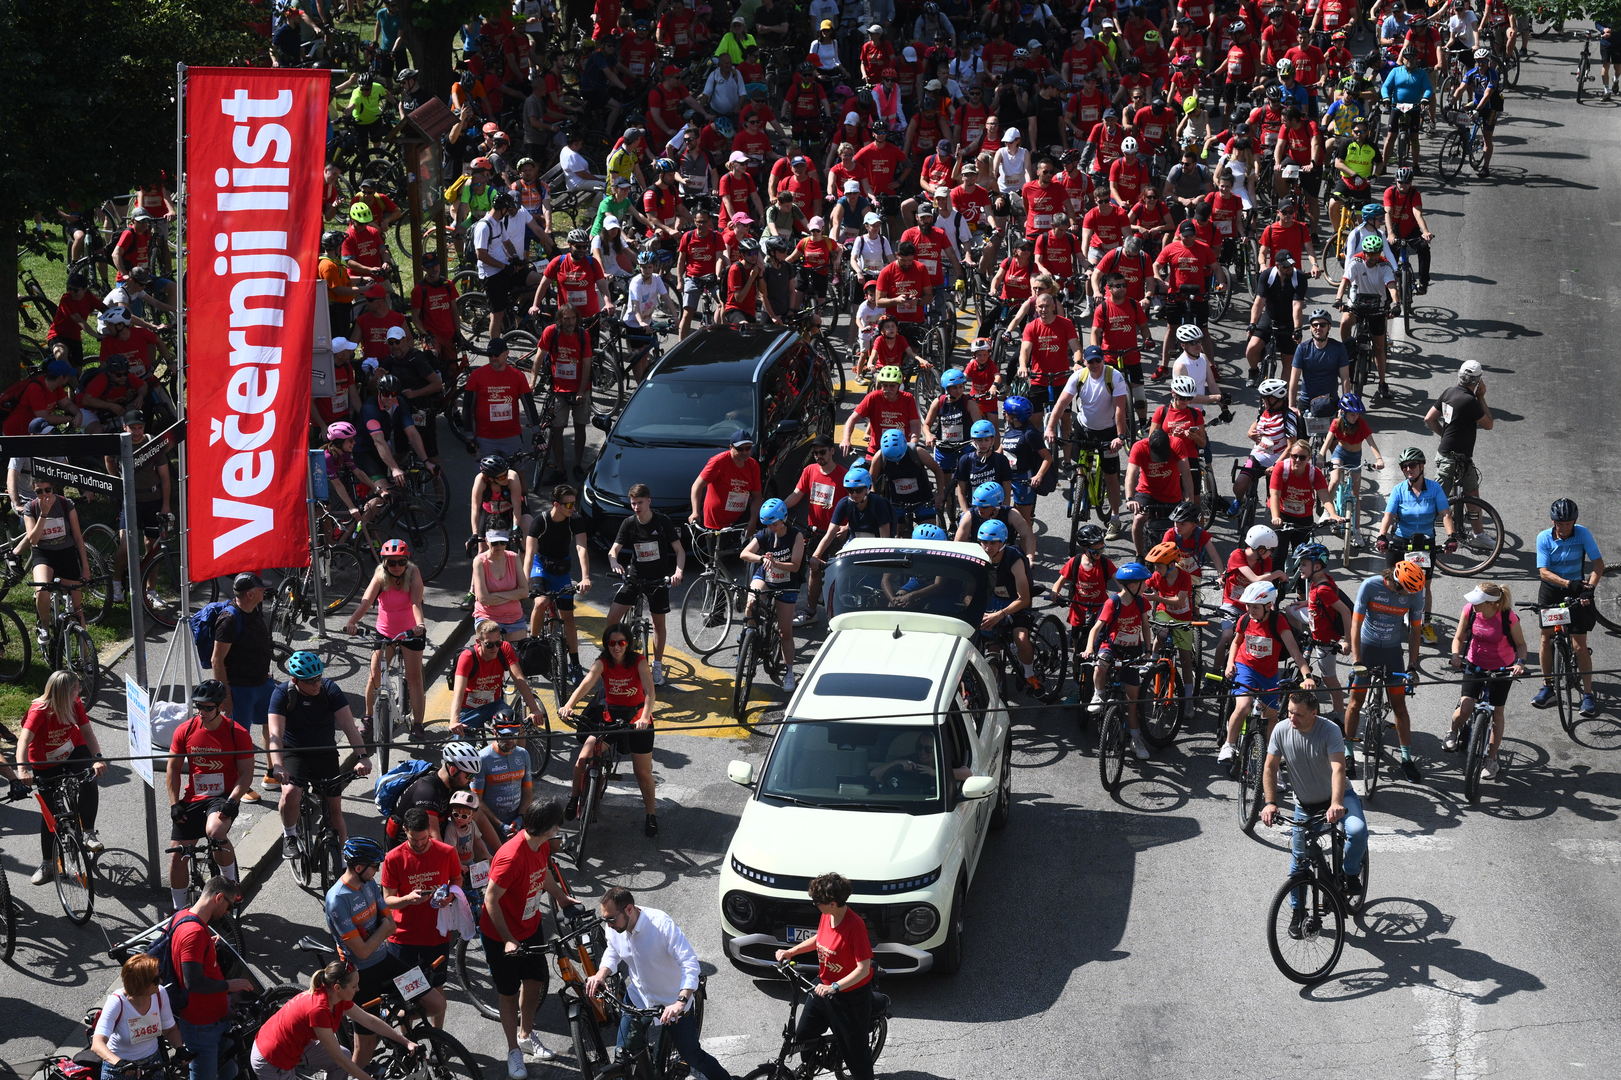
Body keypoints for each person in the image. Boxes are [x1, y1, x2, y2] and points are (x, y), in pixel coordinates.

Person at [584, 888, 734, 1080]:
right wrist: (601, 974)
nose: (608, 924)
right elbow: (613, 950)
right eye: (605, 919)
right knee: (624, 1057)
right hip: (638, 997)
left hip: (672, 1002)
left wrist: (680, 1002)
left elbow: (689, 963)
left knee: (693, 1056)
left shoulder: (660, 924)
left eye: (611, 919)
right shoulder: (614, 926)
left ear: (629, 909)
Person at [480, 801, 577, 1075]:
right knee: (508, 995)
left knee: (534, 984)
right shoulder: (510, 857)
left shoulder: (542, 844)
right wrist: (508, 939)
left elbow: (541, 873)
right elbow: (490, 899)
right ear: (546, 828)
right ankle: (513, 1050)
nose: (559, 828)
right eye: (556, 825)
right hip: (502, 937)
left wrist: (560, 896)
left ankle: (525, 1036)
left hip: (530, 926)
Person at [1259, 691, 1369, 928]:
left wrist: (1336, 803)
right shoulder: (1281, 730)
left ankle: (1349, 873)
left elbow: (1339, 768)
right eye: (1289, 712)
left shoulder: (1329, 730)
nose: (1292, 718)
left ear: (1314, 713)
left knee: (1358, 831)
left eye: (1298, 714)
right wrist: (1270, 803)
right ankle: (1298, 913)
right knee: (1299, 863)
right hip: (1306, 805)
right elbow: (1269, 767)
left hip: (1339, 797)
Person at [268, 652, 370, 859]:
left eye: (319, 678)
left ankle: (341, 861)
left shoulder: (329, 689)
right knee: (290, 792)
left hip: (324, 752)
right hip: (294, 752)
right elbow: (275, 735)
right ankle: (290, 836)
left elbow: (349, 726)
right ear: (295, 680)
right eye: (310, 681)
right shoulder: (281, 694)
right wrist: (277, 766)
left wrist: (362, 757)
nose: (316, 684)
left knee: (334, 811)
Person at [772, 873, 875, 1080]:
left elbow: (863, 969)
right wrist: (792, 952)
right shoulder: (827, 916)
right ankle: (814, 1064)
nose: (815, 905)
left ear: (833, 903)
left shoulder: (855, 926)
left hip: (850, 997)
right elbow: (820, 938)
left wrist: (835, 987)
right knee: (803, 1035)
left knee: (856, 1055)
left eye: (817, 902)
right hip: (823, 986)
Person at [558, 622, 660, 830]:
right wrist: (569, 705)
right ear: (606, 644)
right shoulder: (603, 662)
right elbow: (586, 683)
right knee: (582, 758)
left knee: (642, 772)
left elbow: (650, 692)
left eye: (621, 642)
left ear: (628, 643)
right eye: (611, 643)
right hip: (610, 718)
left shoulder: (639, 661)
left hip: (637, 719)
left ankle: (651, 814)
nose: (616, 647)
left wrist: (644, 718)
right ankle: (574, 798)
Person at [166, 680, 253, 911]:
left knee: (215, 832)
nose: (201, 712)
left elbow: (246, 774)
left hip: (222, 797)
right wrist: (175, 804)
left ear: (221, 706)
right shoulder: (185, 730)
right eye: (198, 706)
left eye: (207, 707)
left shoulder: (237, 733)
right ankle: (179, 911)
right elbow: (173, 769)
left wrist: (233, 801)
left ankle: (232, 886)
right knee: (177, 856)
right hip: (193, 797)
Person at [250, 960, 415, 1080]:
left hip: (294, 1046)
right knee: (341, 1058)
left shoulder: (336, 996)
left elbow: (369, 1021)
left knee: (345, 1053)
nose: (358, 989)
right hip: (271, 1059)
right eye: (354, 986)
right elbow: (339, 1059)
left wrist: (405, 1041)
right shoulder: (318, 1010)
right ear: (337, 987)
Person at [14, 669, 106, 882]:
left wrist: (98, 758)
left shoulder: (75, 704)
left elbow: (87, 733)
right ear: (65, 692)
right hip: (45, 760)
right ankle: (47, 863)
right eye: (76, 688)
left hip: (73, 748)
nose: (80, 690)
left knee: (89, 778)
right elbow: (23, 742)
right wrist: (22, 770)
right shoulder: (39, 710)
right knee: (50, 813)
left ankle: (89, 832)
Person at [323, 836, 407, 1069]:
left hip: (385, 959)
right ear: (359, 867)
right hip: (360, 974)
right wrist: (384, 929)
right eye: (375, 866)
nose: (377, 871)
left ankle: (390, 1027)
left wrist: (380, 932)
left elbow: (392, 924)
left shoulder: (369, 884)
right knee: (366, 1047)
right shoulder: (337, 900)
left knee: (434, 1003)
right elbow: (362, 951)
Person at [1344, 560, 1427, 782]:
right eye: (1407, 590)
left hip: (1392, 653)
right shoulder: (1370, 586)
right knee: (1355, 702)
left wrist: (1412, 665)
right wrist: (1357, 660)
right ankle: (1348, 754)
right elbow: (1356, 624)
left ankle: (1407, 759)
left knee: (1400, 706)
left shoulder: (1416, 592)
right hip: (1368, 649)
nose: (1410, 595)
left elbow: (1415, 630)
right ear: (1396, 581)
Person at [380, 806, 461, 1028]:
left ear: (429, 831)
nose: (419, 844)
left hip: (436, 934)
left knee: (436, 987)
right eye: (414, 840)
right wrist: (408, 899)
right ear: (405, 830)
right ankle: (408, 1040)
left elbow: (456, 880)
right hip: (403, 936)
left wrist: (450, 897)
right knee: (407, 991)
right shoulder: (393, 858)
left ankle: (438, 1038)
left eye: (424, 838)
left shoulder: (446, 852)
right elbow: (387, 899)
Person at [169, 876, 256, 1080]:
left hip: (218, 1019)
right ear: (218, 897)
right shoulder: (195, 933)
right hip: (203, 1026)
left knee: (229, 1071)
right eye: (229, 905)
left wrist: (208, 942)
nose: (228, 912)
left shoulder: (183, 917)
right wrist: (229, 985)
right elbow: (193, 982)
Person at [1219, 580, 1316, 761]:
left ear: (1269, 605)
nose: (1250, 610)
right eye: (1248, 606)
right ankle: (1229, 745)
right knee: (1243, 705)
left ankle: (1273, 763)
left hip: (1268, 674)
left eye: (1255, 607)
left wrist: (1307, 676)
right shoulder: (1246, 619)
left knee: (1272, 718)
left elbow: (1295, 653)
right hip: (1245, 667)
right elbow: (1235, 642)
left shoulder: (1279, 622)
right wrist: (1230, 663)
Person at [345, 539, 427, 740]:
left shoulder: (413, 573)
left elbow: (416, 602)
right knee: (375, 677)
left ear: (407, 562)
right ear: (384, 563)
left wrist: (420, 625)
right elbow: (365, 602)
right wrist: (352, 622)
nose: (397, 566)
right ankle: (368, 718)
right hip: (385, 632)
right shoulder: (380, 576)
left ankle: (418, 724)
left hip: (411, 632)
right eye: (392, 562)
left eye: (401, 562)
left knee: (415, 677)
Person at [1445, 582, 1527, 779]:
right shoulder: (1470, 611)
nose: (1473, 605)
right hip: (1475, 665)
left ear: (1492, 604)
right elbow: (1458, 638)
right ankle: (1452, 731)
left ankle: (1491, 760)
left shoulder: (1508, 617)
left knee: (1498, 712)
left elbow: (1521, 645)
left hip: (1501, 669)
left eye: (1478, 603)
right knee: (1465, 708)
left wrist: (1520, 664)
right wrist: (1456, 655)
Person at [606, 484, 687, 683]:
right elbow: (613, 550)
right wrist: (614, 562)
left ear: (649, 501)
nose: (636, 507)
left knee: (658, 624)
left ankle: (657, 667)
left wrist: (678, 572)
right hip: (635, 577)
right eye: (633, 503)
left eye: (640, 502)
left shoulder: (662, 522)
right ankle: (616, 658)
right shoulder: (629, 523)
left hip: (658, 579)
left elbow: (680, 551)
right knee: (612, 618)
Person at [1376, 446, 1457, 640]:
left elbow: (1445, 514)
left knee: (1424, 586)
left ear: (1422, 466)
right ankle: (1390, 619)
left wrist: (1451, 536)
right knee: (1393, 583)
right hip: (1402, 541)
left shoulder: (1435, 488)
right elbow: (1389, 515)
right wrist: (1382, 536)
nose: (1408, 469)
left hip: (1425, 543)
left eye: (1412, 465)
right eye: (1404, 466)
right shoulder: (1399, 490)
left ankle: (1426, 624)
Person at [1534, 498, 1604, 718]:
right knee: (1546, 639)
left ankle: (1588, 695)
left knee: (1579, 645)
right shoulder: (1544, 537)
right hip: (1552, 589)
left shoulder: (1582, 533)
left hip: (1577, 589)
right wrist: (1567, 583)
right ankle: (1548, 687)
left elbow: (1598, 565)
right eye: (1559, 523)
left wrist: (1588, 589)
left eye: (1568, 523)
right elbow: (1543, 572)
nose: (1563, 528)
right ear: (1552, 521)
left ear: (1574, 521)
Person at [1424, 359, 1494, 550]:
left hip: (1451, 455)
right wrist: (1481, 397)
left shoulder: (1449, 392)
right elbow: (1489, 424)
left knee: (1469, 493)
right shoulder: (1470, 400)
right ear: (1477, 381)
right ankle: (1419, 534)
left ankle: (1478, 534)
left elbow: (1429, 418)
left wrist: (1444, 435)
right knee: (1440, 499)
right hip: (1454, 459)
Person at [18, 474, 91, 653]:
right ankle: (44, 625)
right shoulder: (31, 507)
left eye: (48, 490)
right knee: (42, 590)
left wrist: (86, 567)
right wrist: (44, 513)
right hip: (44, 554)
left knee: (77, 610)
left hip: (66, 554)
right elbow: (33, 540)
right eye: (39, 492)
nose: (44, 495)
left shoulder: (66, 504)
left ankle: (86, 657)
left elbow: (78, 538)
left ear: (54, 488)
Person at [525, 485, 593, 675]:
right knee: (541, 602)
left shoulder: (575, 521)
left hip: (562, 568)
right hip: (541, 566)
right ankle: (535, 647)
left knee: (568, 617)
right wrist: (524, 582)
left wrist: (585, 577)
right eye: (569, 504)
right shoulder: (540, 522)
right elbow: (529, 555)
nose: (573, 508)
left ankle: (575, 663)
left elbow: (581, 548)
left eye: (574, 503)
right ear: (556, 504)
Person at [91, 954, 188, 1080]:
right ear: (140, 983)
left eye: (160, 975)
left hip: (153, 1064)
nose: (160, 981)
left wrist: (179, 1048)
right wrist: (119, 1063)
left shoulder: (160, 993)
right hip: (121, 1069)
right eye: (155, 979)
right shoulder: (117, 1002)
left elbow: (170, 1030)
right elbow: (97, 1044)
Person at [450, 621, 549, 734]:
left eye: (498, 643)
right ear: (478, 642)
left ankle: (521, 752)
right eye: (489, 644)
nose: (495, 648)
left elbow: (519, 678)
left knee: (517, 730)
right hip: (469, 709)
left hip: (493, 704)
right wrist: (454, 721)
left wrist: (534, 709)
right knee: (463, 748)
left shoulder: (505, 648)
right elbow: (458, 692)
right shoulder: (467, 657)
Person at [691, 430, 763, 532]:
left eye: (748, 448)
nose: (744, 452)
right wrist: (695, 512)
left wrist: (753, 521)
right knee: (714, 547)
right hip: (715, 523)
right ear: (731, 447)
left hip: (740, 521)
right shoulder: (718, 462)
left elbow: (757, 497)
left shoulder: (753, 465)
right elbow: (697, 486)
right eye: (740, 449)